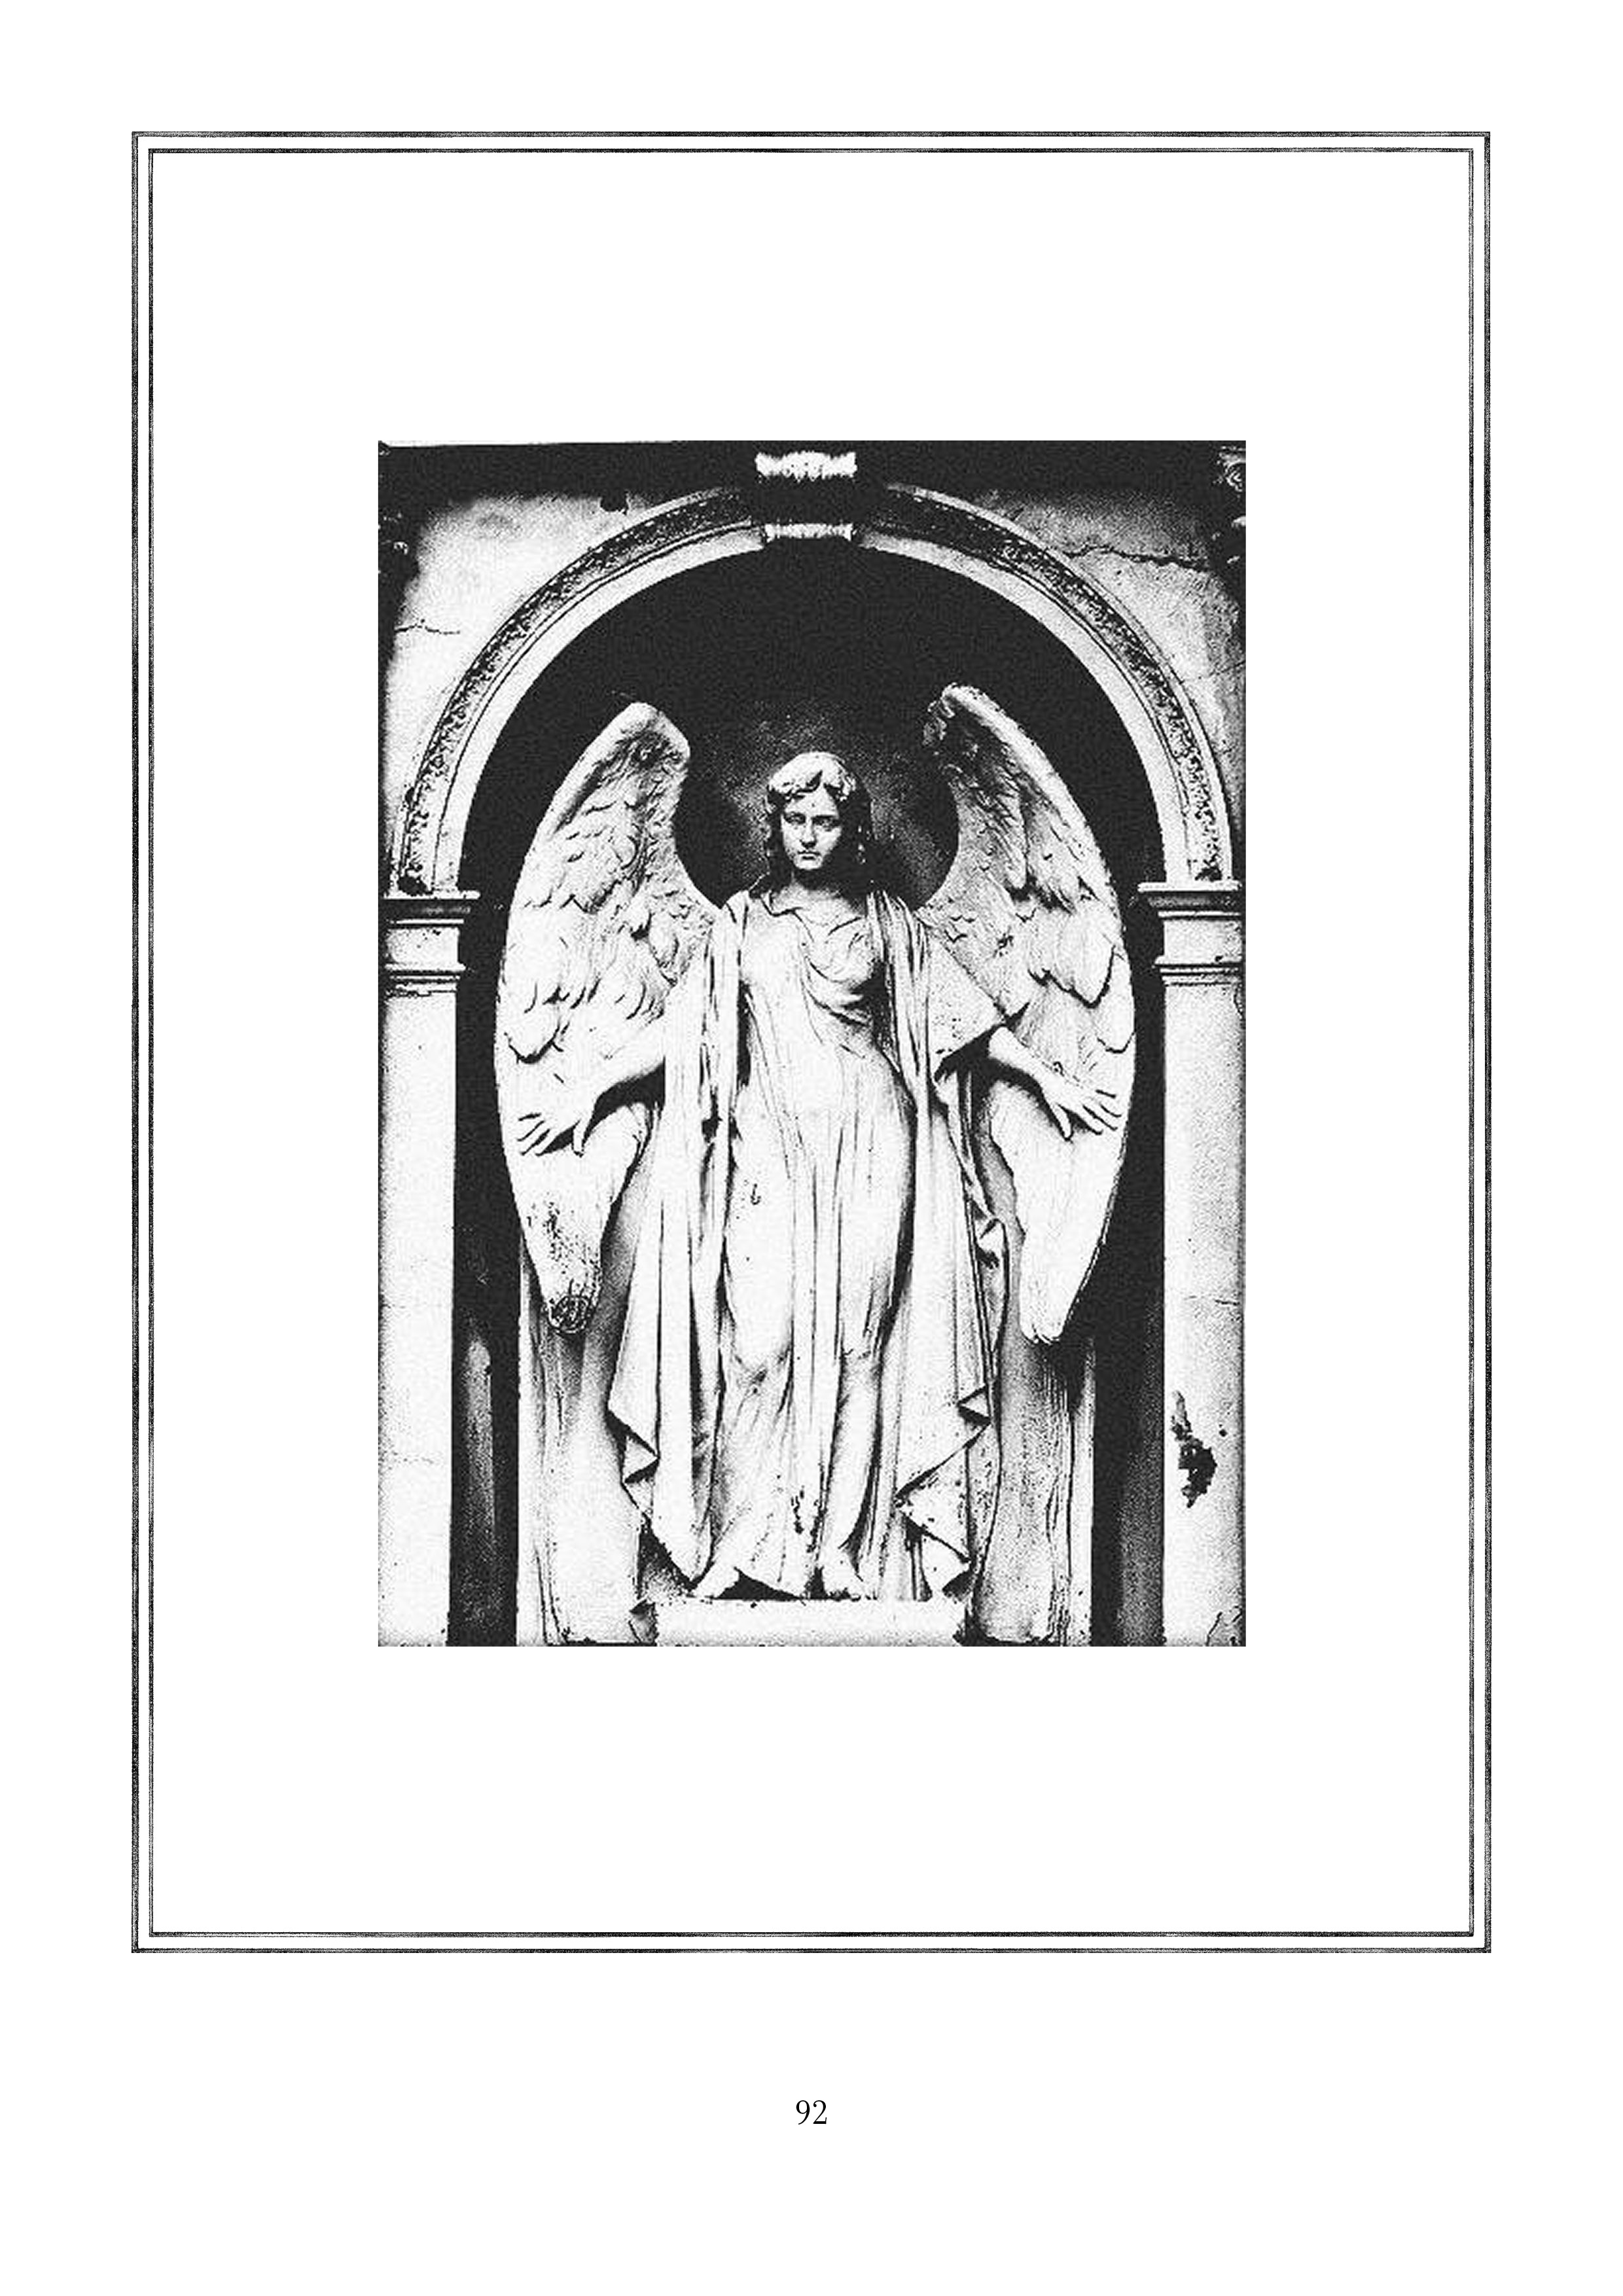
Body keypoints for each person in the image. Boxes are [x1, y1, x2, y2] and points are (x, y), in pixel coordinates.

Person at [518, 753, 1118, 1602]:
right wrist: (593, 1088)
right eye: (795, 820)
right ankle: (743, 1543)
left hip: (874, 1141)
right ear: (776, 826)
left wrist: (1044, 1075)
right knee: (756, 1345)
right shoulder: (740, 926)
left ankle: (840, 1550)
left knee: (860, 1349)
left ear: (851, 830)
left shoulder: (887, 924)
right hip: (765, 1150)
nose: (808, 836)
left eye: (825, 821)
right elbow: (685, 1032)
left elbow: (961, 1020)